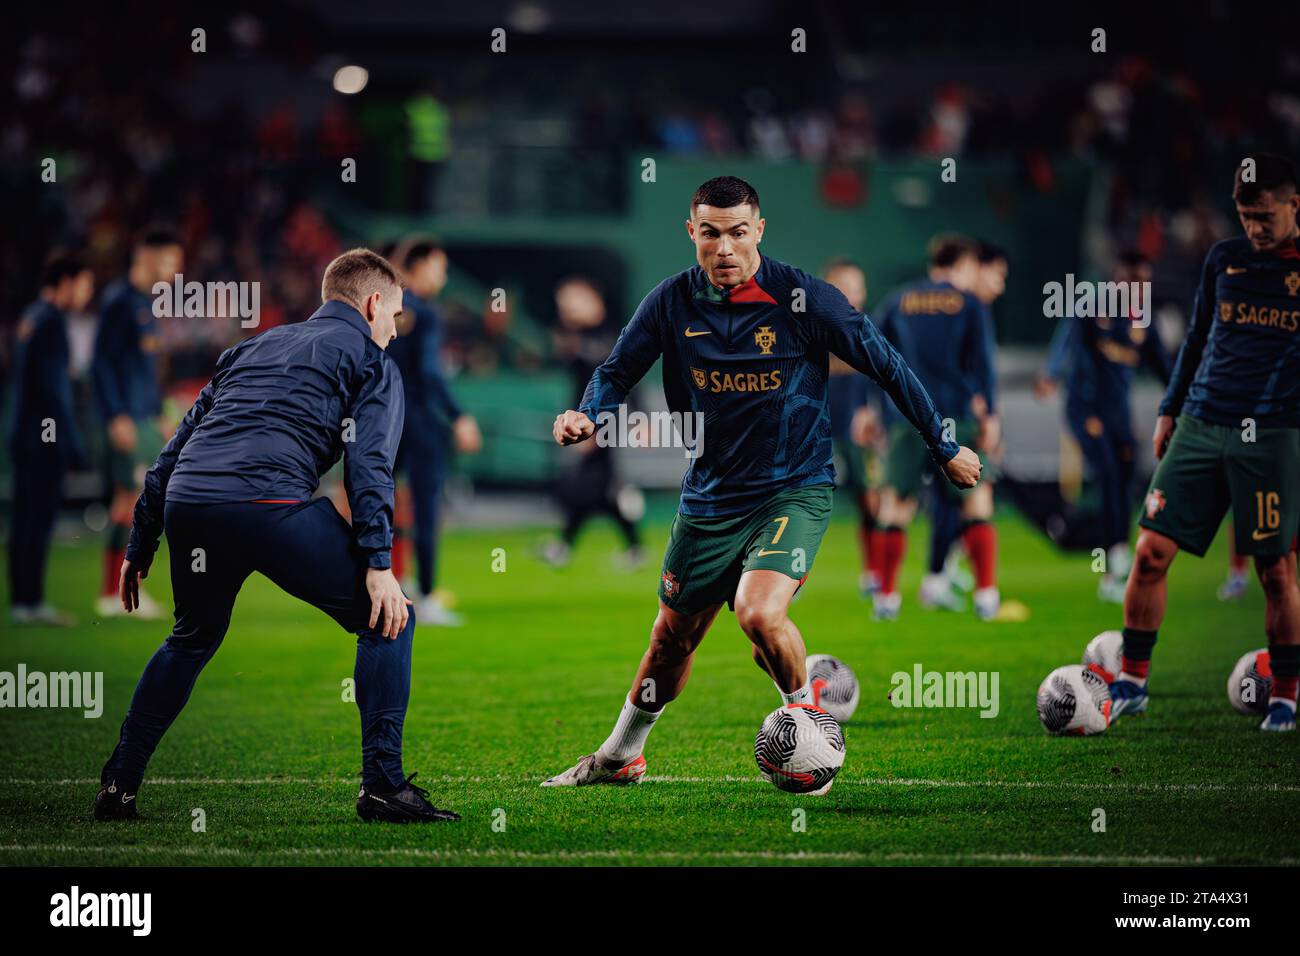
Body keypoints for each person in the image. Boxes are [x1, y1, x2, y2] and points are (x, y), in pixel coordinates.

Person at [540, 176, 981, 788]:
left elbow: (887, 363)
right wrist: (590, 413)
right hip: (710, 497)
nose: (725, 249)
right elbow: (615, 371)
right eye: (711, 234)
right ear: (691, 232)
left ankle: (811, 733)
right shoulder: (670, 302)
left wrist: (945, 444)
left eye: (738, 233)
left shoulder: (803, 297)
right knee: (671, 641)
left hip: (794, 487)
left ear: (759, 232)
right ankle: (620, 756)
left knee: (757, 613)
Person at [95, 249, 460, 822]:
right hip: (268, 503)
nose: (395, 328)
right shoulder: (372, 360)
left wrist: (141, 542)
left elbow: (172, 453)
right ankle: (383, 787)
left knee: (190, 637)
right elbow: (371, 468)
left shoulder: (250, 347)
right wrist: (380, 564)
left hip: (191, 505)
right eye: (394, 313)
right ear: (371, 305)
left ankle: (119, 784)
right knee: (390, 620)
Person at [1109, 154, 1300, 732]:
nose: (1254, 228)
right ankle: (1132, 683)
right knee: (1149, 555)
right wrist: (1170, 408)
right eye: (1245, 215)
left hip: (1270, 434)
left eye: (1265, 216)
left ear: (1296, 205)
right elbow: (1197, 338)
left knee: (1274, 571)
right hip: (1199, 424)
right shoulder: (1224, 258)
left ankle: (1286, 696)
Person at [871, 235, 1000, 621]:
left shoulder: (898, 300)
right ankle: (986, 595)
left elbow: (872, 354)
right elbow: (983, 365)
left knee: (896, 505)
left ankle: (887, 599)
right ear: (964, 265)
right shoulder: (970, 304)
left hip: (905, 417)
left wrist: (870, 411)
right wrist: (990, 415)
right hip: (954, 416)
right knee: (976, 501)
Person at [1035, 250, 1172, 602]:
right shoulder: (1092, 307)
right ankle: (1111, 564)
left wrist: (1187, 400)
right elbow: (1064, 342)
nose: (1138, 288)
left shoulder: (1144, 321)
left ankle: (1118, 554)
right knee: (1108, 474)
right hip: (1084, 409)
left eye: (1144, 282)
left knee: (1126, 477)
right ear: (1116, 278)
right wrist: (1050, 375)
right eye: (1132, 280)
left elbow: (1166, 370)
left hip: (1118, 414)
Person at [92, 225, 184, 620]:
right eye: (169, 261)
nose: (173, 271)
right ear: (146, 257)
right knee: (127, 503)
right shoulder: (118, 302)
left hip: (145, 418)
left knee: (141, 503)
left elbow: (145, 372)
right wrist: (118, 415)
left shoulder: (147, 306)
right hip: (125, 419)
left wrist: (159, 415)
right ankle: (114, 594)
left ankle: (125, 592)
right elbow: (101, 364)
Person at [388, 237, 481, 626]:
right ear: (420, 265)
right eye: (439, 268)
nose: (442, 276)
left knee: (378, 503)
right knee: (426, 507)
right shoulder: (425, 313)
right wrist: (459, 415)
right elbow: (430, 371)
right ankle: (425, 597)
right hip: (421, 418)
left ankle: (387, 583)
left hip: (382, 418)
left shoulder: (384, 305)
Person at [7, 250, 94, 625]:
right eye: (85, 285)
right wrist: (73, 442)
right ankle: (33, 602)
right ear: (66, 283)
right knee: (38, 518)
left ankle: (21, 601)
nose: (87, 294)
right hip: (46, 436)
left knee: (23, 519)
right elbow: (56, 389)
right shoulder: (53, 322)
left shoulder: (30, 317)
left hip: (23, 432)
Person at [539, 275, 645, 569]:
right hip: (585, 419)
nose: (568, 308)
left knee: (587, 486)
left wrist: (600, 429)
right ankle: (633, 546)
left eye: (575, 300)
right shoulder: (576, 336)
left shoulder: (610, 336)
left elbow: (626, 380)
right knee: (598, 490)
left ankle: (564, 545)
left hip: (601, 421)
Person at [822, 258, 884, 597]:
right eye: (844, 286)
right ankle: (787, 573)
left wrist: (873, 413)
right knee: (800, 499)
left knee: (869, 500)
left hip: (859, 428)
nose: (853, 293)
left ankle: (873, 574)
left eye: (857, 287)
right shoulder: (812, 326)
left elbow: (887, 376)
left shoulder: (870, 328)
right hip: (816, 428)